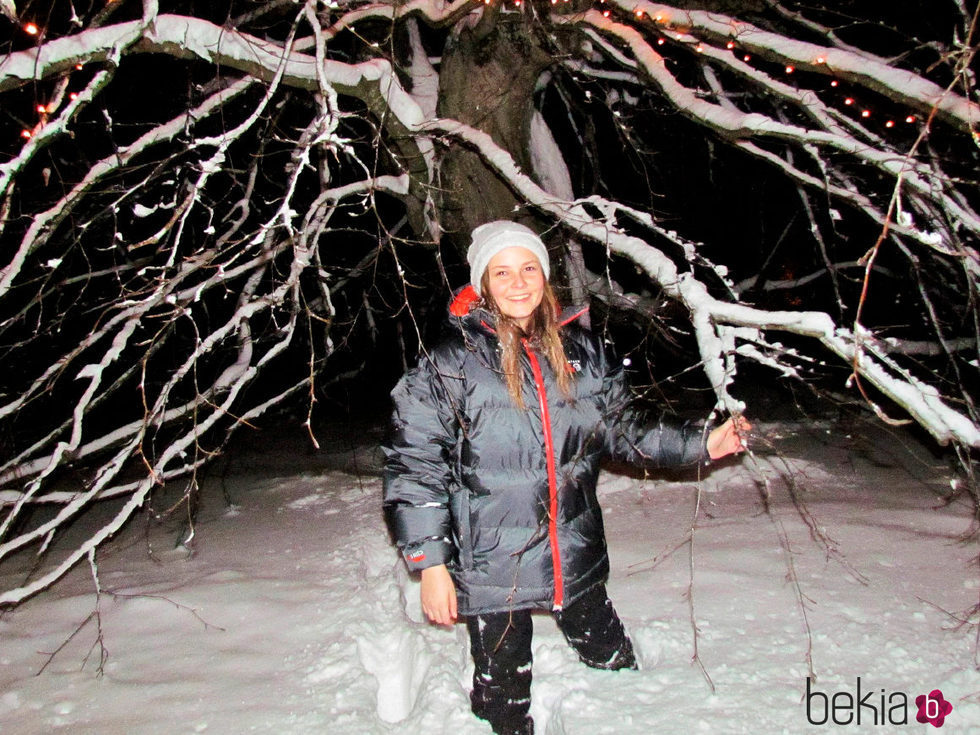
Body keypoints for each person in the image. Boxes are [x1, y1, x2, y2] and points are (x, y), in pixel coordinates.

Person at [382, 220, 749, 735]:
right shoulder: (449, 365)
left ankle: (635, 701)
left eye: (528, 267)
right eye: (502, 271)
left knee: (604, 642)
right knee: (504, 682)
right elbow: (414, 465)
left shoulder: (583, 353)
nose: (518, 282)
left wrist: (703, 443)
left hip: (571, 543)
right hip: (494, 560)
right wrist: (432, 565)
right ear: (482, 282)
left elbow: (624, 429)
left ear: (545, 276)